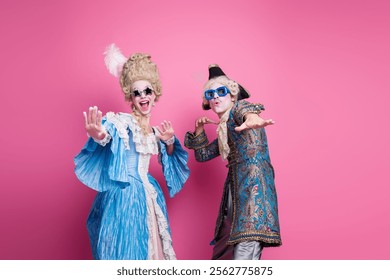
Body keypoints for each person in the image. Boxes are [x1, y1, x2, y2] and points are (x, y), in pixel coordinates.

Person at [74, 44, 190, 260]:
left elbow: (173, 159)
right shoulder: (121, 122)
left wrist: (170, 142)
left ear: (155, 94)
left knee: (153, 250)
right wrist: (98, 134)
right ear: (131, 97)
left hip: (148, 194)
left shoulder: (156, 131)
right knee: (125, 250)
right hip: (123, 194)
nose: (143, 96)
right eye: (137, 93)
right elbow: (106, 134)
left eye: (147, 91)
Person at [184, 64, 281, 260]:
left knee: (242, 259)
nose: (216, 97)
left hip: (253, 196)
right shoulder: (225, 129)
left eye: (221, 91)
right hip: (234, 196)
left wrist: (252, 118)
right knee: (222, 255)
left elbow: (246, 110)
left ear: (233, 95)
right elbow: (202, 155)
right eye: (210, 94)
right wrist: (200, 130)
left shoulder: (238, 109)